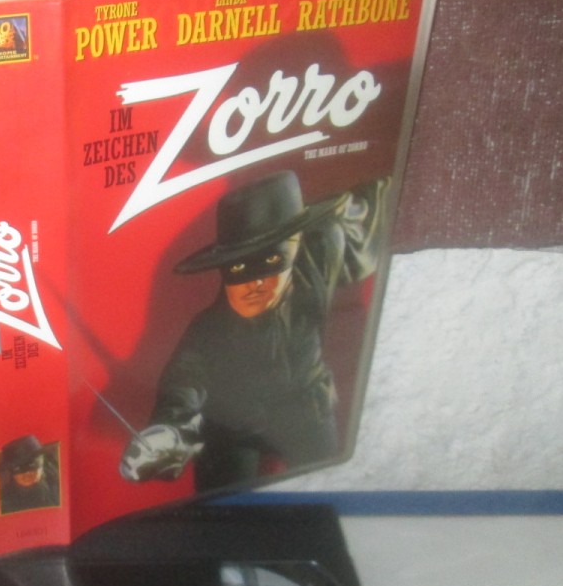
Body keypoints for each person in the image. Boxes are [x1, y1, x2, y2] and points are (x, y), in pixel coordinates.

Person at [120, 170, 388, 493]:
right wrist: (168, 429)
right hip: (232, 426)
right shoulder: (208, 330)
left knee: (329, 489)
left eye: (272, 260)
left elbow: (364, 210)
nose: (254, 284)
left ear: (295, 247)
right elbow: (184, 380)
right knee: (220, 507)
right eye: (237, 268)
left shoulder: (322, 251)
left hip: (306, 410)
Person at [0, 435, 60, 513]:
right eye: (18, 468)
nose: (27, 473)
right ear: (11, 473)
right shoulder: (4, 502)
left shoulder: (58, 486)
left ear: (42, 463)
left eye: (32, 465)